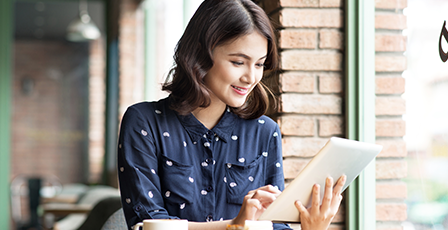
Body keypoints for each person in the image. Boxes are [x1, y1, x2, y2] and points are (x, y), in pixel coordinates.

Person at [117, 0, 346, 229]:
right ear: (199, 53)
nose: (250, 77)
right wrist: (235, 225)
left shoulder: (264, 132)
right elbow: (147, 225)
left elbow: (274, 224)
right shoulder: (144, 122)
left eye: (259, 64)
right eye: (238, 62)